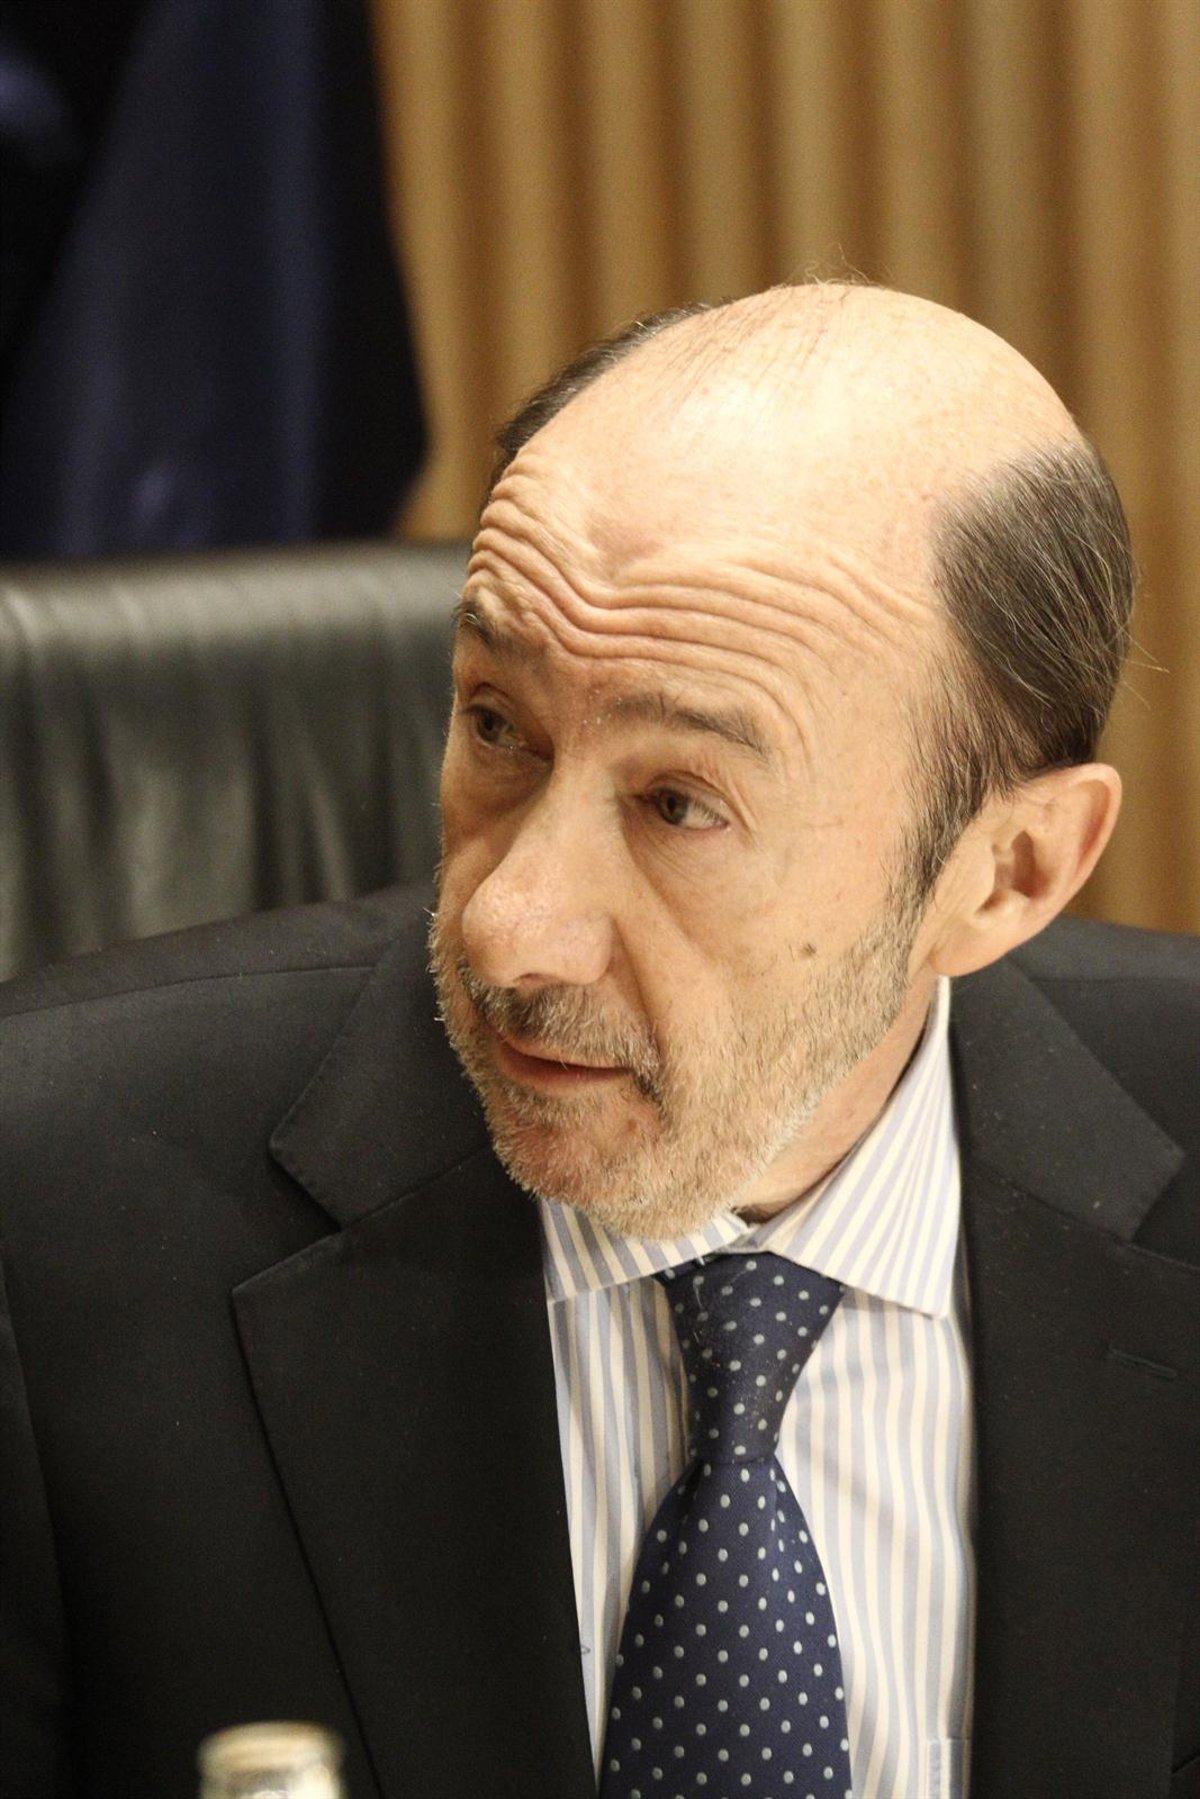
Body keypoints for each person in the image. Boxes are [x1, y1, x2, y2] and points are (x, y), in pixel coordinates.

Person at [1, 283, 1196, 1799]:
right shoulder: (40, 1214)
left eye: (680, 803)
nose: (509, 927)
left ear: (1007, 871)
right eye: (498, 726)